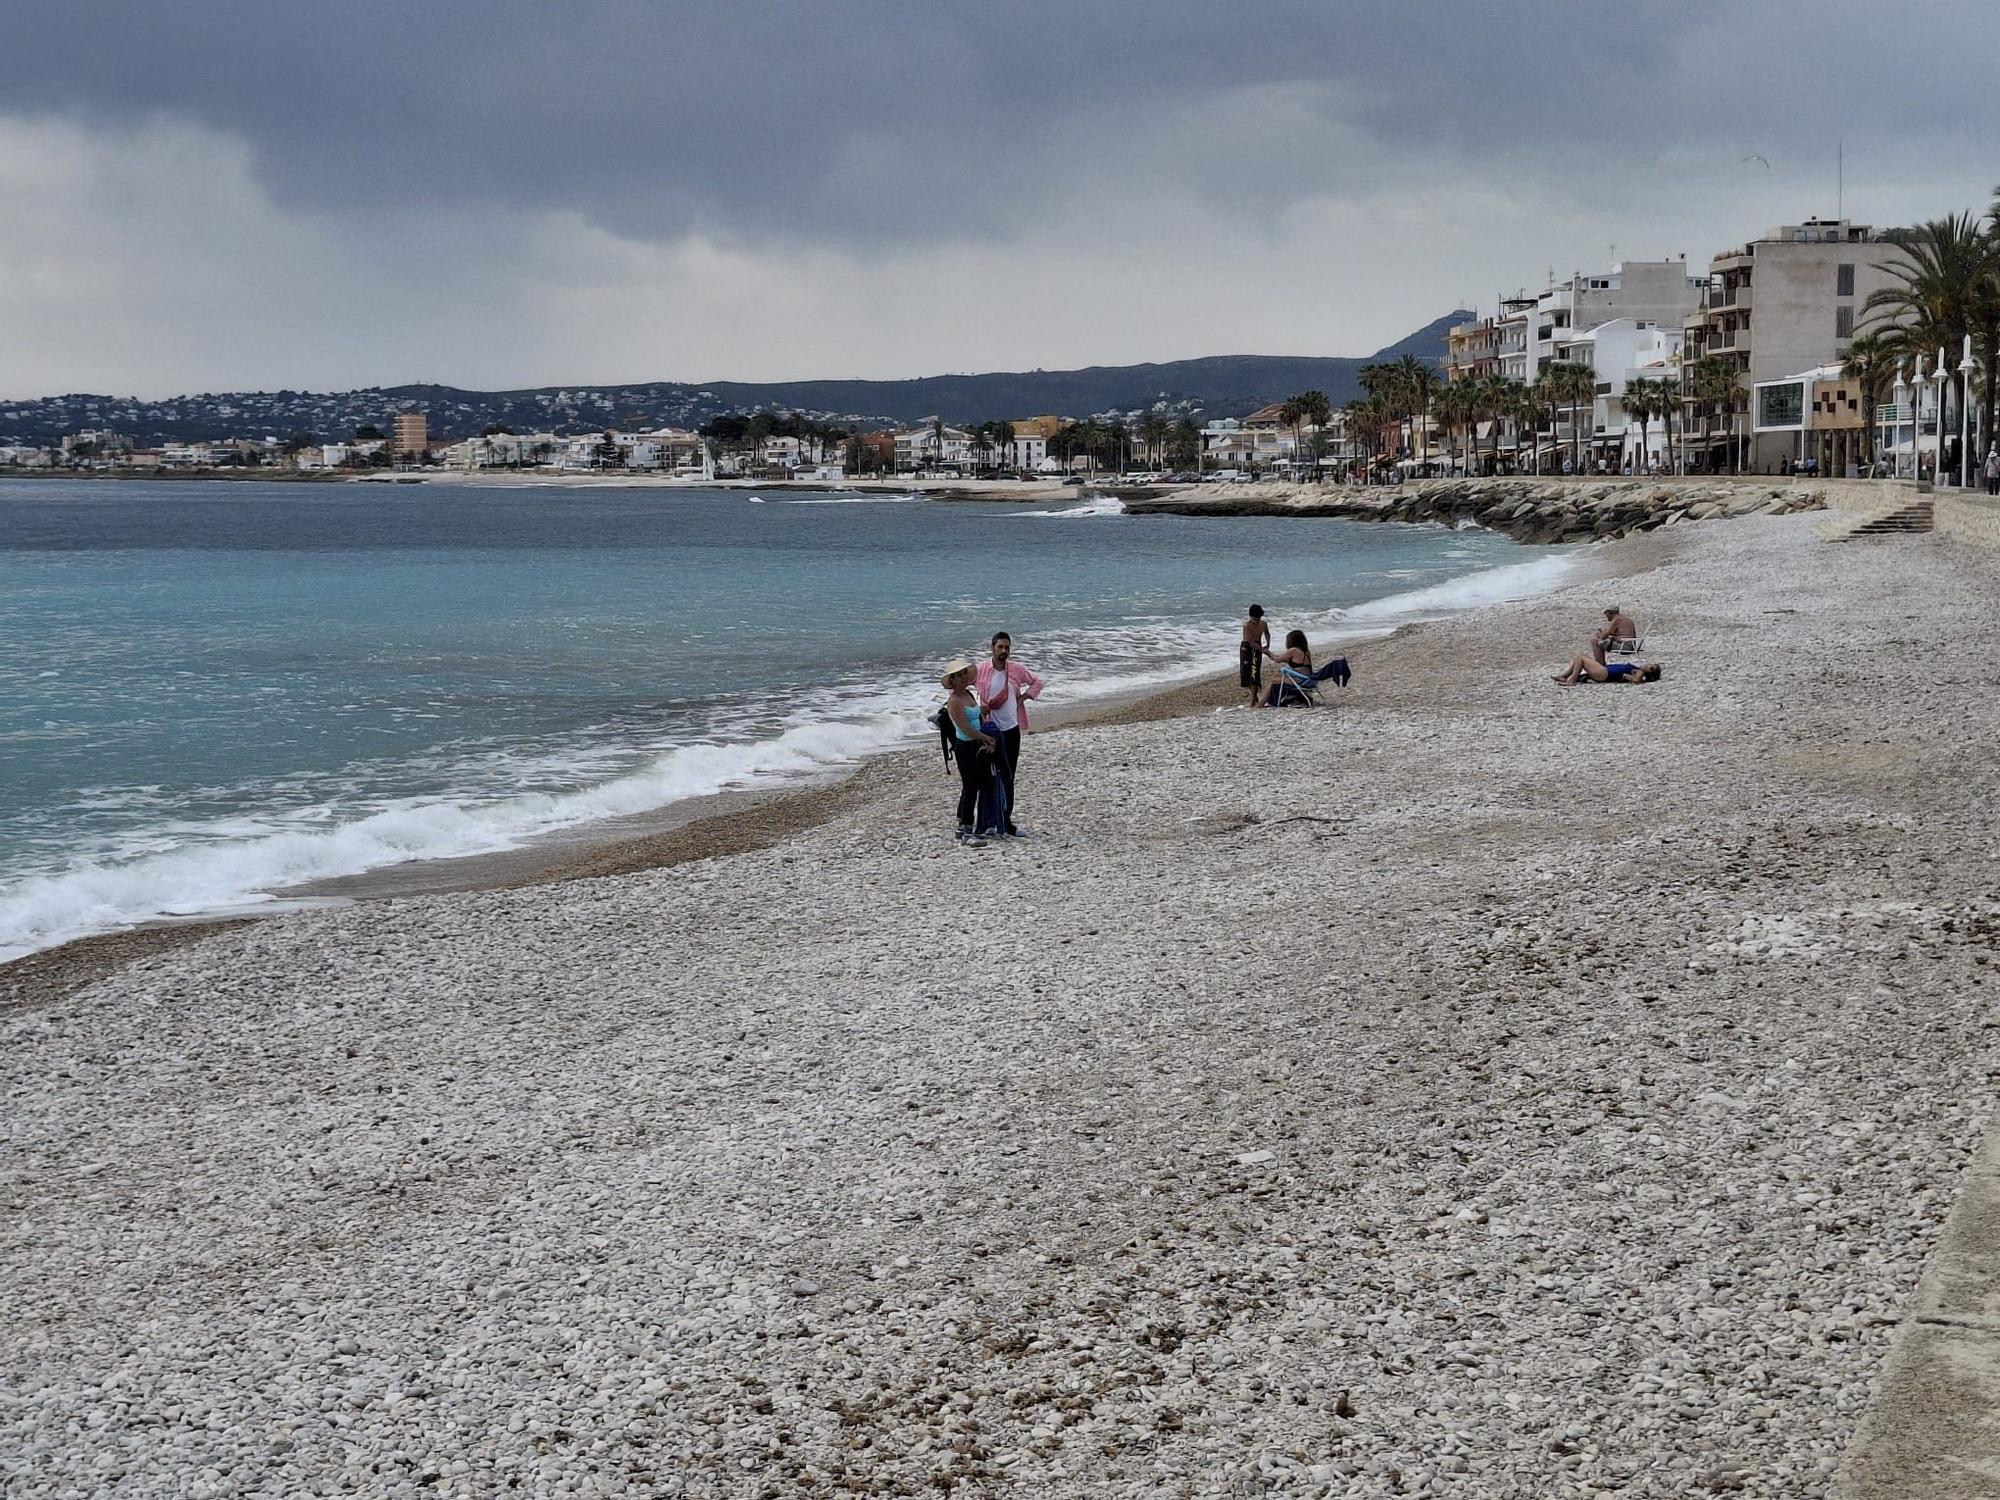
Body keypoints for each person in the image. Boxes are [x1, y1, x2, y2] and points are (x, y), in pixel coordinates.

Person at [975, 631, 1043, 837]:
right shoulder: (980, 670)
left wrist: (1023, 699)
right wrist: (975, 709)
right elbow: (956, 688)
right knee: (987, 777)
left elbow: (1038, 682)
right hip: (989, 730)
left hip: (1011, 730)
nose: (1004, 651)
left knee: (1008, 776)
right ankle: (986, 823)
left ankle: (1006, 822)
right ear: (992, 648)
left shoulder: (1016, 669)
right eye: (1000, 647)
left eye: (1007, 647)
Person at [940, 660, 999, 845]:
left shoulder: (968, 694)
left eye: (965, 674)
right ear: (953, 680)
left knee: (983, 783)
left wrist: (985, 736)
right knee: (970, 787)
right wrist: (985, 737)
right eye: (960, 675)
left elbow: (977, 717)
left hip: (977, 744)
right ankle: (965, 829)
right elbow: (964, 727)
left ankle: (976, 824)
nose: (965, 678)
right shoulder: (954, 701)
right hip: (965, 747)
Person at [1257, 629, 1313, 707]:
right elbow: (1295, 664)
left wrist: (1267, 652)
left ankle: (1259, 704)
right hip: (1308, 680)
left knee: (1272, 680)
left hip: (1299, 681)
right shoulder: (1306, 651)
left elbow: (1277, 659)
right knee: (1277, 677)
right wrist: (1268, 653)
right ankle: (1270, 701)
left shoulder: (1293, 650)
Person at [1239, 604, 1270, 708]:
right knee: (1245, 673)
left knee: (1255, 673)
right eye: (1253, 619)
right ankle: (1254, 696)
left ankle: (1252, 702)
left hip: (1258, 647)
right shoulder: (1247, 625)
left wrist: (1267, 644)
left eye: (1257, 619)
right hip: (1247, 647)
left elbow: (1267, 633)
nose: (1255, 621)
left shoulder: (1263, 624)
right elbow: (1251, 642)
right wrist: (1264, 651)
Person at [1554, 656, 1662, 685]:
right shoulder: (1638, 670)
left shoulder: (1640, 672)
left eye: (1651, 667)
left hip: (1606, 673)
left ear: (1650, 671)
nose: (1648, 665)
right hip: (1605, 672)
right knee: (1580, 658)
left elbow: (1636, 680)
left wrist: (1626, 676)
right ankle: (1565, 676)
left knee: (1580, 658)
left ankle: (1571, 680)